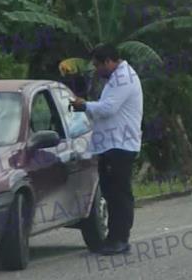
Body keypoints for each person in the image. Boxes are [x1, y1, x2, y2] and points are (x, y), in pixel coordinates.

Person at [70, 44, 144, 255]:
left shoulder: (124, 78)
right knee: (111, 194)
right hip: (111, 144)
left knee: (119, 195)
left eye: (98, 65)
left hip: (120, 145)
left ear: (109, 61)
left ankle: (120, 239)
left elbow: (109, 108)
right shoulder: (115, 79)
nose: (96, 69)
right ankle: (113, 238)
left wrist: (85, 105)